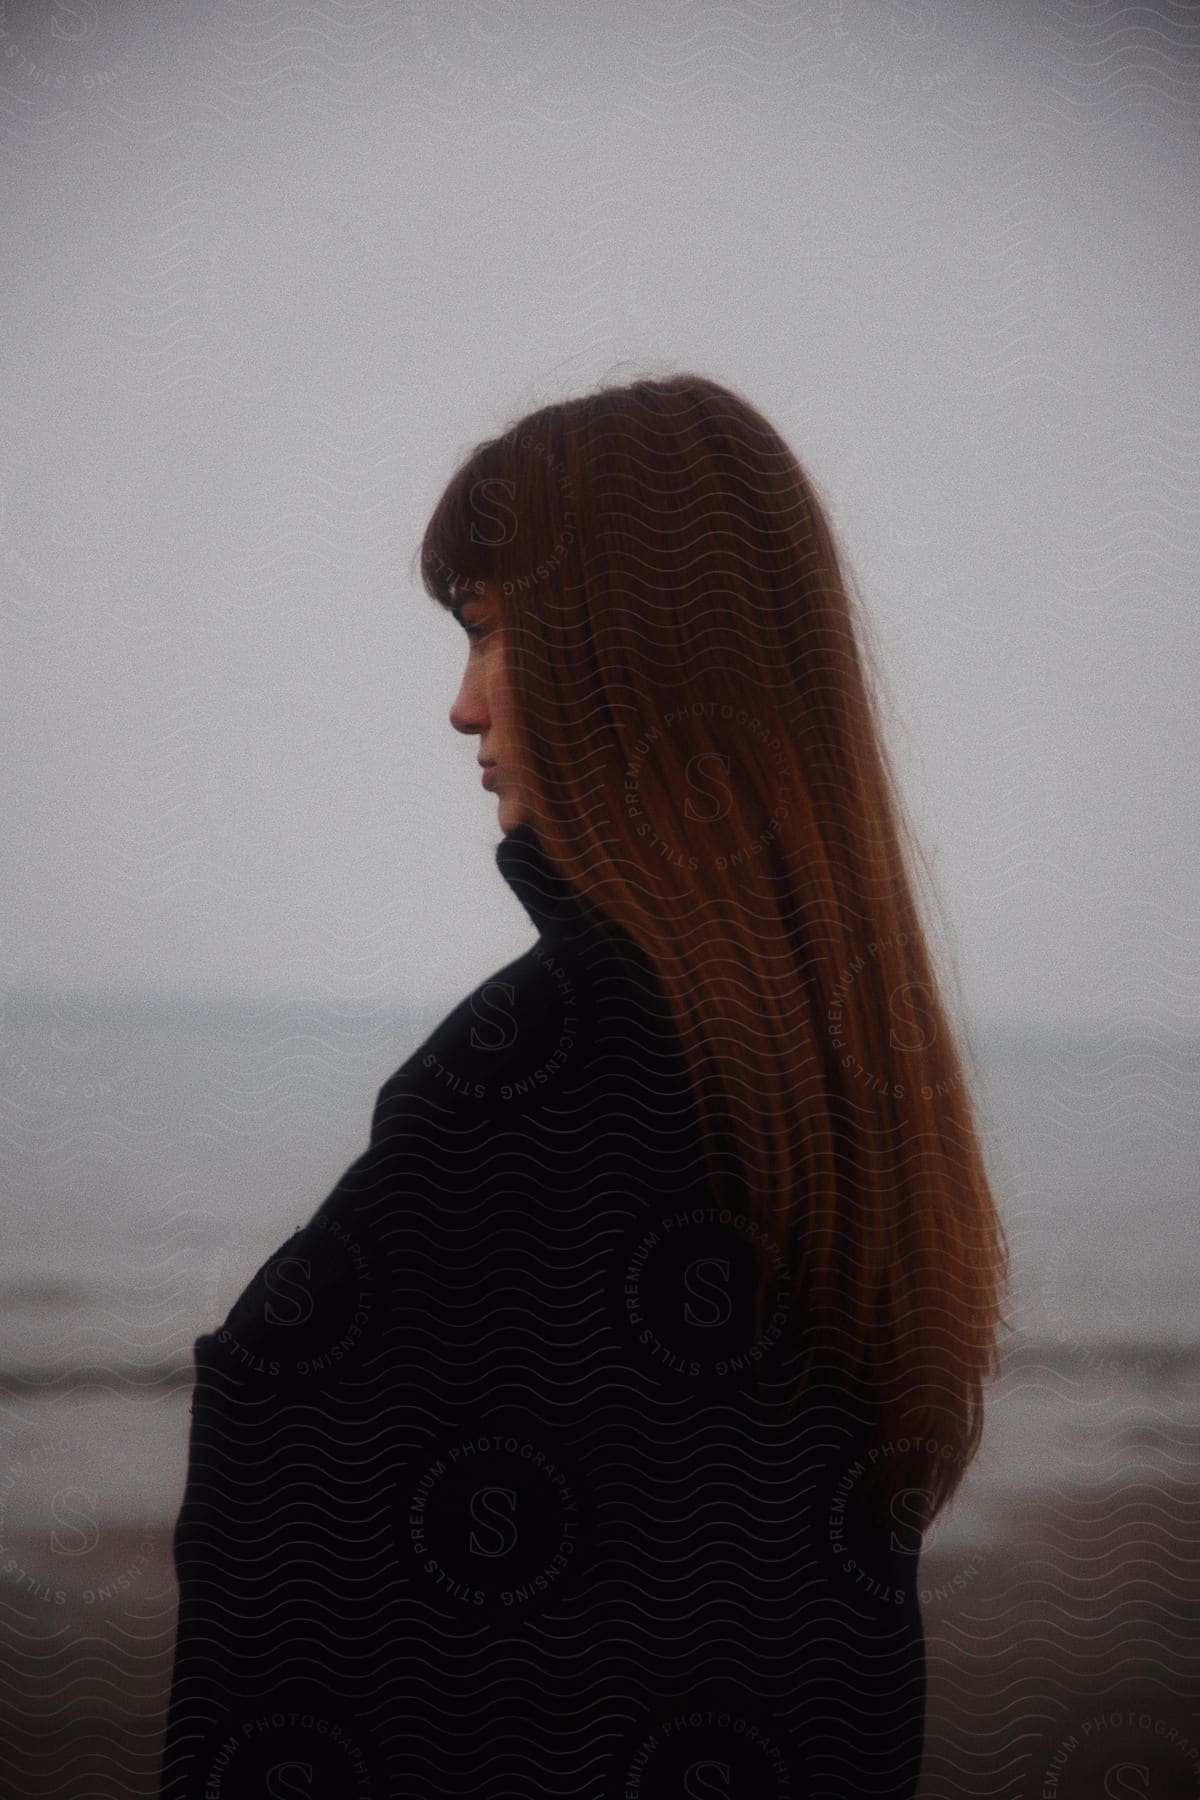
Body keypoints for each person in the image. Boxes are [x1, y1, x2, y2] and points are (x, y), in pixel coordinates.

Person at [160, 372, 1011, 1798]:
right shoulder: (838, 1100)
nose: (459, 706)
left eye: (494, 633)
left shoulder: (553, 1070)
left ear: (645, 658)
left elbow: (301, 1520)